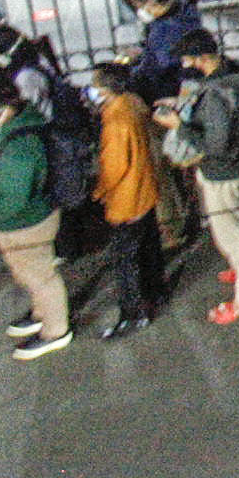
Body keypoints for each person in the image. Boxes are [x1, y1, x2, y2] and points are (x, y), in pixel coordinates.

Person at [0, 75, 74, 358]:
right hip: (16, 221)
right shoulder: (10, 126)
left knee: (40, 276)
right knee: (27, 272)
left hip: (24, 222)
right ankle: (41, 313)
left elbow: (14, 198)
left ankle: (55, 330)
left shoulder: (19, 146)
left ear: (6, 106)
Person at [164, 31, 239, 320]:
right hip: (238, 163)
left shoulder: (215, 93)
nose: (184, 63)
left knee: (232, 233)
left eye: (186, 58)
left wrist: (179, 126)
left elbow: (216, 144)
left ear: (200, 58)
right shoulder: (232, 77)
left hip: (221, 170)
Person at [88, 58, 171, 335]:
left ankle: (133, 313)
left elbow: (114, 166)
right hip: (144, 188)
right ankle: (157, 293)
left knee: (126, 259)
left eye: (94, 84)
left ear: (106, 89)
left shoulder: (115, 121)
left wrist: (101, 190)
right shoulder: (133, 103)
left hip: (126, 198)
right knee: (148, 247)